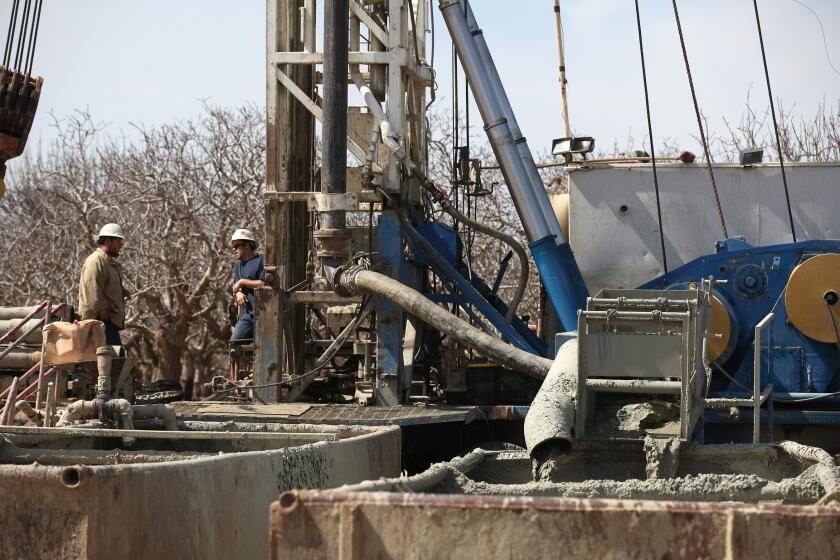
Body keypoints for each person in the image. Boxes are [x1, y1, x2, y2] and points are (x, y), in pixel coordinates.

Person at [79, 223, 129, 346]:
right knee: (112, 362)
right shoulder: (95, 261)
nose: (120, 246)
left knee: (116, 361)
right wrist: (104, 314)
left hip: (107, 324)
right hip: (99, 325)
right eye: (118, 242)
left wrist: (122, 292)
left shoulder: (108, 262)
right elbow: (93, 293)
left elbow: (107, 287)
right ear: (107, 241)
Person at [230, 228, 265, 342]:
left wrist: (242, 282)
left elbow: (263, 283)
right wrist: (239, 292)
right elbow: (236, 286)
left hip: (261, 313)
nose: (234, 249)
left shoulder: (261, 261)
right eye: (233, 247)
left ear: (248, 245)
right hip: (246, 315)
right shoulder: (238, 265)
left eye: (237, 246)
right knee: (235, 343)